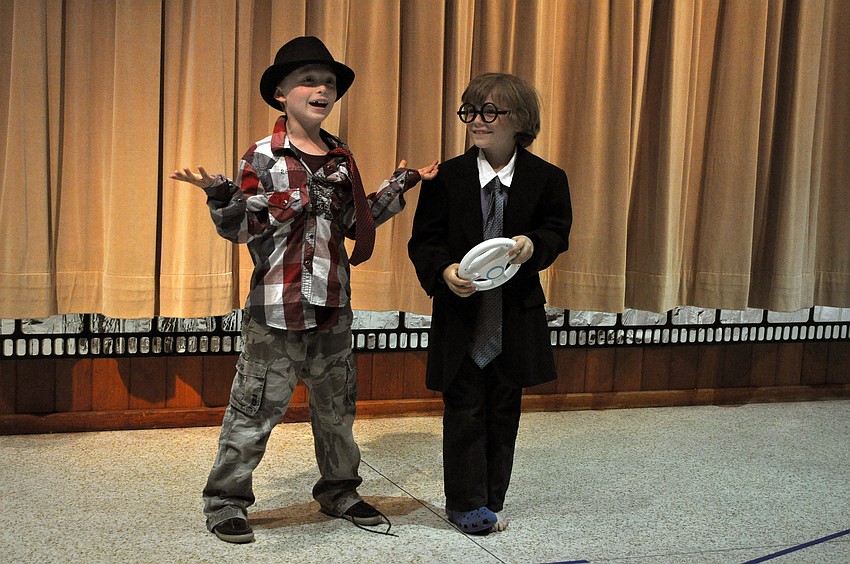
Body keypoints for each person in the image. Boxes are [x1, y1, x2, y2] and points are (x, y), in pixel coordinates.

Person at [171, 36, 438, 544]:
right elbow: (242, 227)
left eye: (329, 83)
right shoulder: (264, 155)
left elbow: (357, 222)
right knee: (253, 410)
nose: (322, 89)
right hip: (276, 308)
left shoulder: (341, 158)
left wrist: (401, 183)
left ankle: (339, 491)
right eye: (309, 81)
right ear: (280, 94)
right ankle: (226, 501)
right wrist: (222, 195)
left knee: (337, 411)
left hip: (332, 307)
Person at [408, 73, 572, 534]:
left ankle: (491, 496)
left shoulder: (547, 178)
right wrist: (443, 272)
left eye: (490, 112)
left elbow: (558, 233)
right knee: (463, 408)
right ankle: (466, 503)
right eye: (471, 111)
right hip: (462, 318)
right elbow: (425, 242)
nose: (477, 121)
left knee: (504, 408)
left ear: (521, 120)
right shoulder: (447, 178)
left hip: (513, 317)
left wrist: (531, 243)